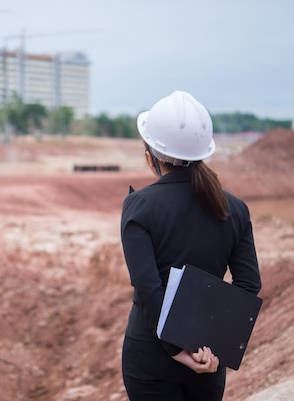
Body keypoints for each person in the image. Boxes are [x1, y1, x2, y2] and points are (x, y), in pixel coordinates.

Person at [120, 91, 262, 401]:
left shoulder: (139, 206)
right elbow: (249, 284)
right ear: (203, 153)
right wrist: (212, 347)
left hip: (150, 356)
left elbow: (147, 287)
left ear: (151, 156)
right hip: (207, 357)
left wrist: (175, 350)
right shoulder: (235, 209)